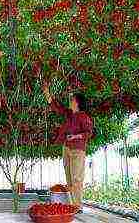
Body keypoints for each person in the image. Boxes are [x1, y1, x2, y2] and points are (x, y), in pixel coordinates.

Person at [43, 83, 93, 213]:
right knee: (70, 178)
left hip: (77, 149)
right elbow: (57, 108)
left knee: (77, 178)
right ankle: (73, 205)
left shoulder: (84, 116)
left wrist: (75, 136)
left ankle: (77, 206)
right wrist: (47, 94)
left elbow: (88, 133)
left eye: (72, 99)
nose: (70, 101)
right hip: (67, 148)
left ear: (77, 102)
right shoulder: (69, 114)